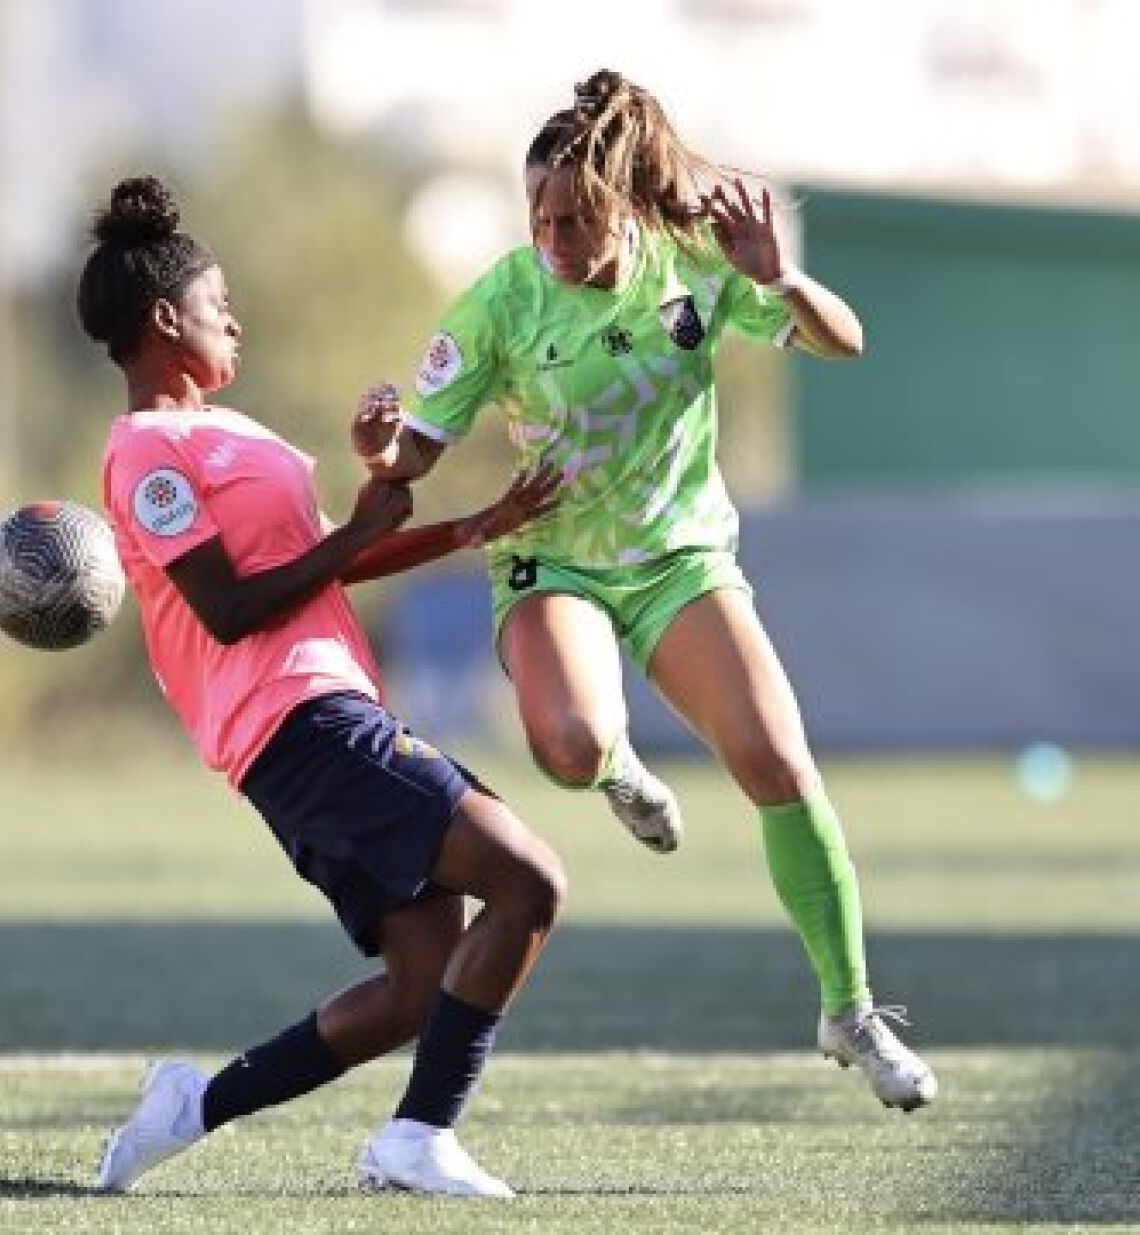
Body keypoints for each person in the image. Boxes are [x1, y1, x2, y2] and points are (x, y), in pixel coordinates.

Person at [353, 69, 936, 1111]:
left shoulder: (697, 264)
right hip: (553, 556)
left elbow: (846, 343)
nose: (557, 238)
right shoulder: (499, 302)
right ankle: (621, 770)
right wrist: (381, 448)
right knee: (568, 744)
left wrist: (781, 278)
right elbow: (413, 460)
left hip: (678, 557)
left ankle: (849, 1010)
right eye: (539, 217)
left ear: (621, 205)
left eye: (576, 216)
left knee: (777, 762)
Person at [81, 175, 567, 1198]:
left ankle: (191, 1105)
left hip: (329, 712)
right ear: (166, 321)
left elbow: (329, 560)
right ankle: (418, 1133)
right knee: (528, 877)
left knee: (417, 986)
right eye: (220, 307)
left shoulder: (240, 433)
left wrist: (470, 522)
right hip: (292, 723)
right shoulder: (145, 457)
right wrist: (353, 530)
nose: (235, 321)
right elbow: (224, 605)